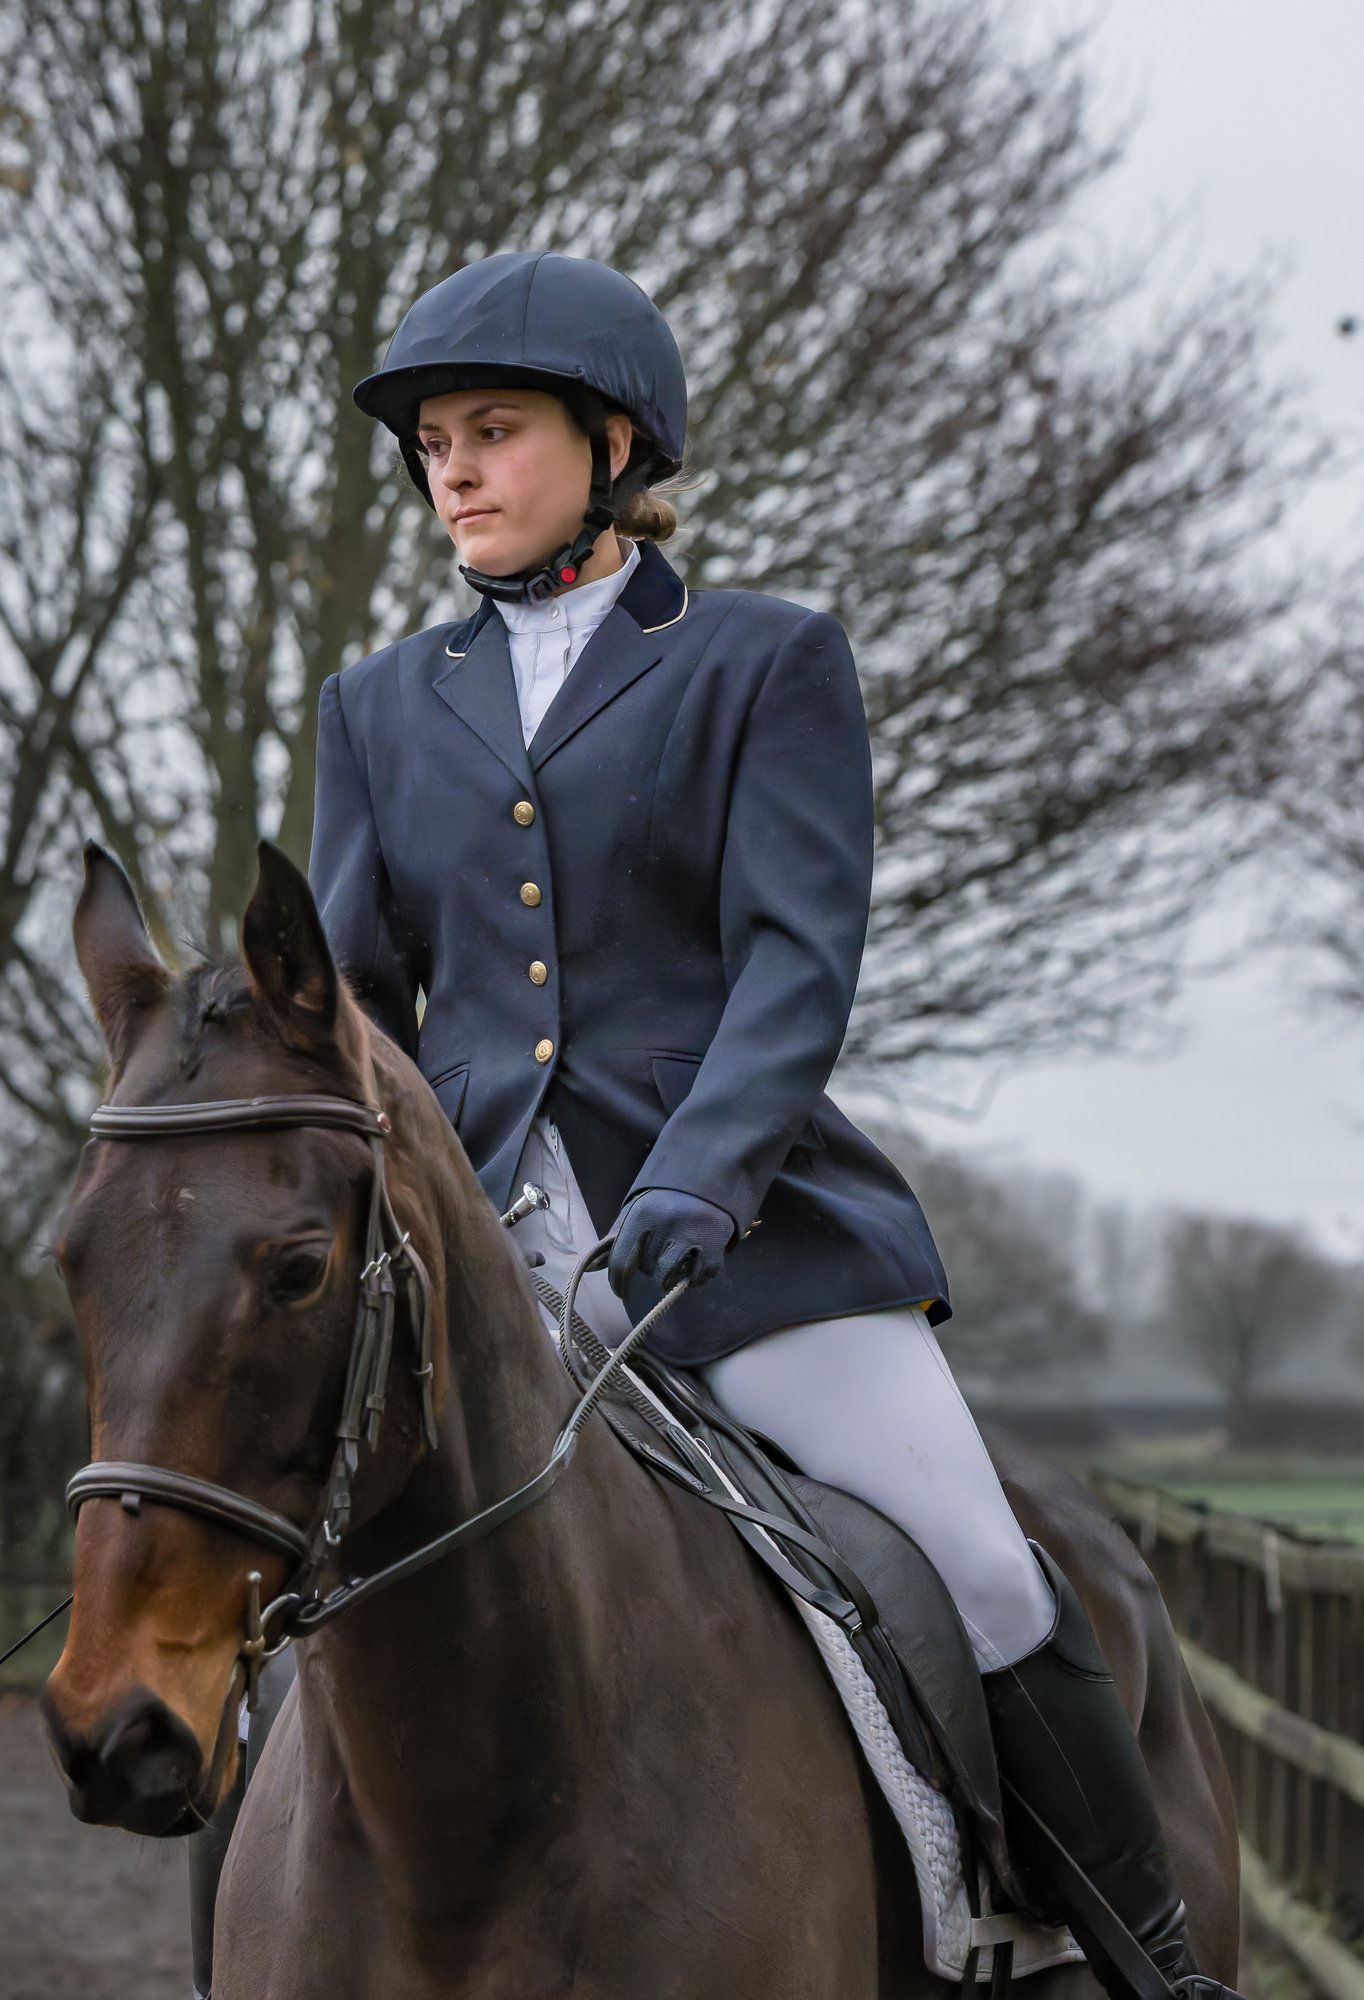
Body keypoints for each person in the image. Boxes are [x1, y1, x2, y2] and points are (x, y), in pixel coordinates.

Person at [196, 250, 1233, 2000]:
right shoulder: (377, 706)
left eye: (494, 431)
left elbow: (793, 965)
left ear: (611, 444)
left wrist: (695, 1183)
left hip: (741, 1246)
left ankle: (1124, 1957)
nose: (453, 469)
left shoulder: (763, 661)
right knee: (296, 1621)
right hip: (470, 1259)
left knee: (983, 1567)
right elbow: (353, 1005)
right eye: (435, 440)